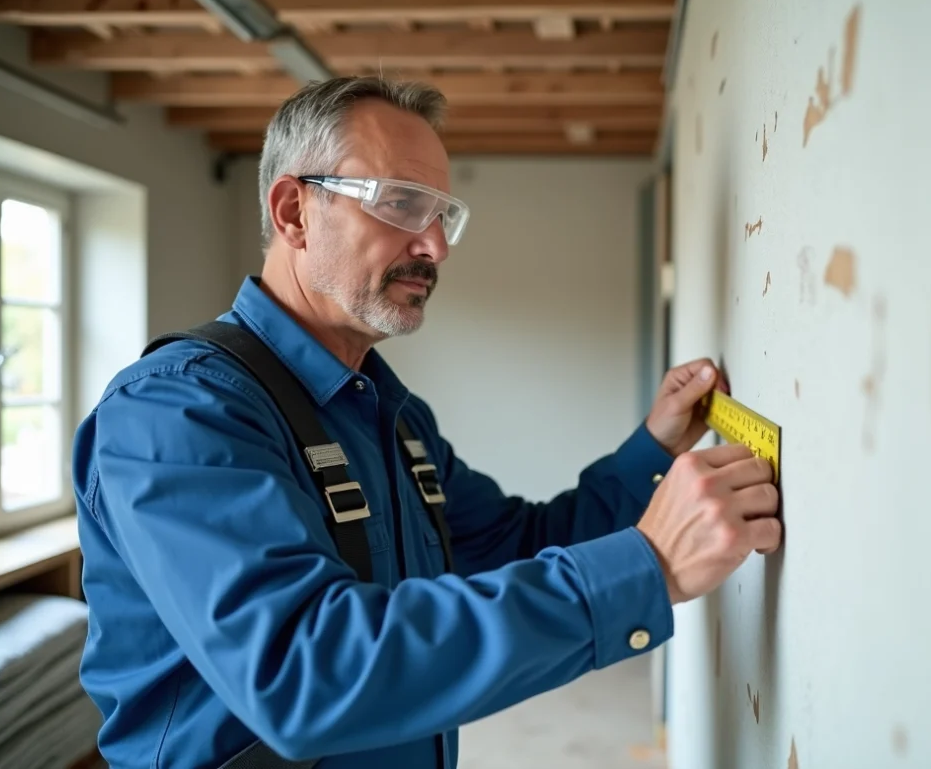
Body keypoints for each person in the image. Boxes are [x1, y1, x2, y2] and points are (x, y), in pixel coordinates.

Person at [70, 75, 782, 769]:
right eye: (402, 204)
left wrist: (654, 446)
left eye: (442, 214)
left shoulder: (391, 417)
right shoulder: (177, 412)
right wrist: (645, 567)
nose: (435, 245)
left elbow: (517, 544)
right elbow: (303, 672)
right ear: (293, 212)